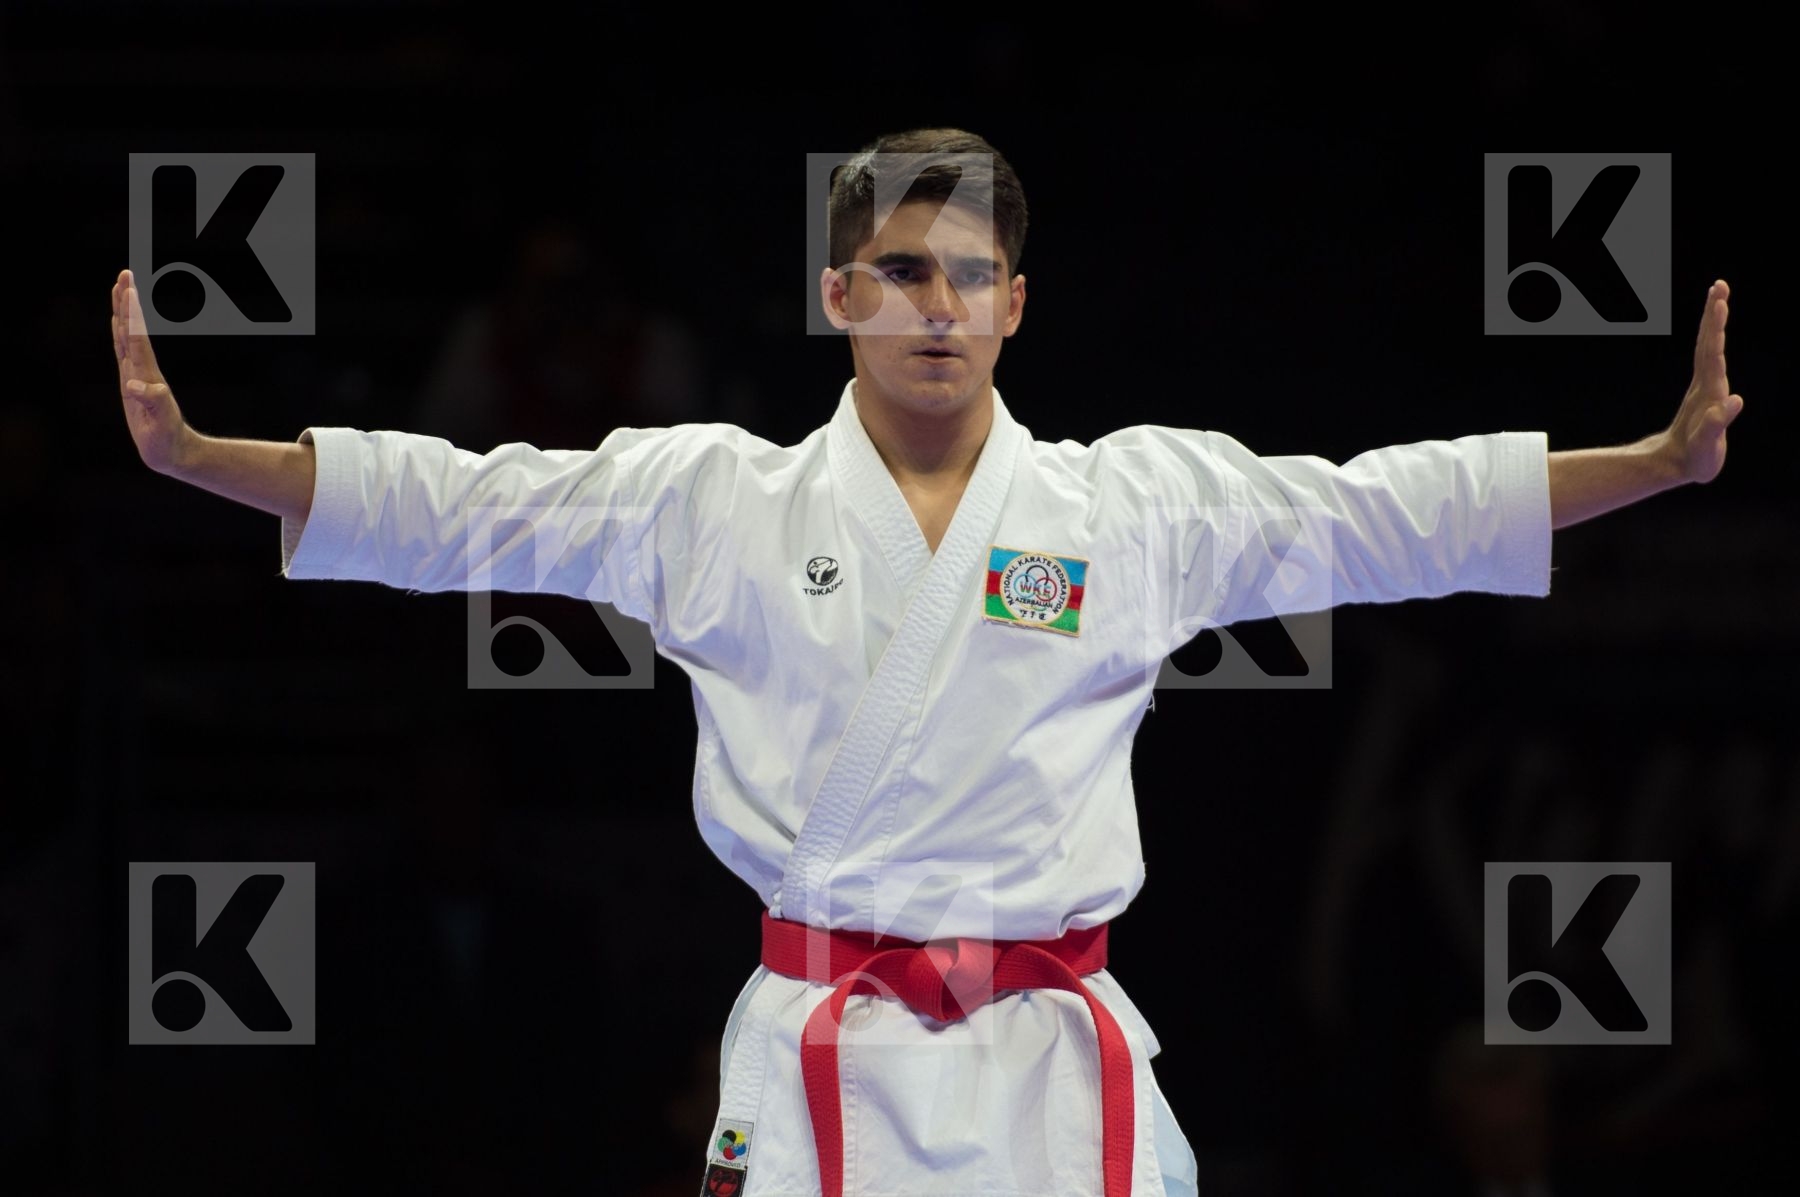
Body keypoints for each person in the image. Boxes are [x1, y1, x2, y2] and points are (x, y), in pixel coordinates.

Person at [110, 128, 1744, 1197]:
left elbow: (1393, 513)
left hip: (1052, 1067)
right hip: (827, 1060)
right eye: (900, 271)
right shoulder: (716, 501)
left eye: (968, 274)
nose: (936, 307)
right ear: (838, 295)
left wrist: (1651, 462)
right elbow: (465, 506)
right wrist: (210, 456)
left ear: (1018, 304)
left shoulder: (1131, 503)